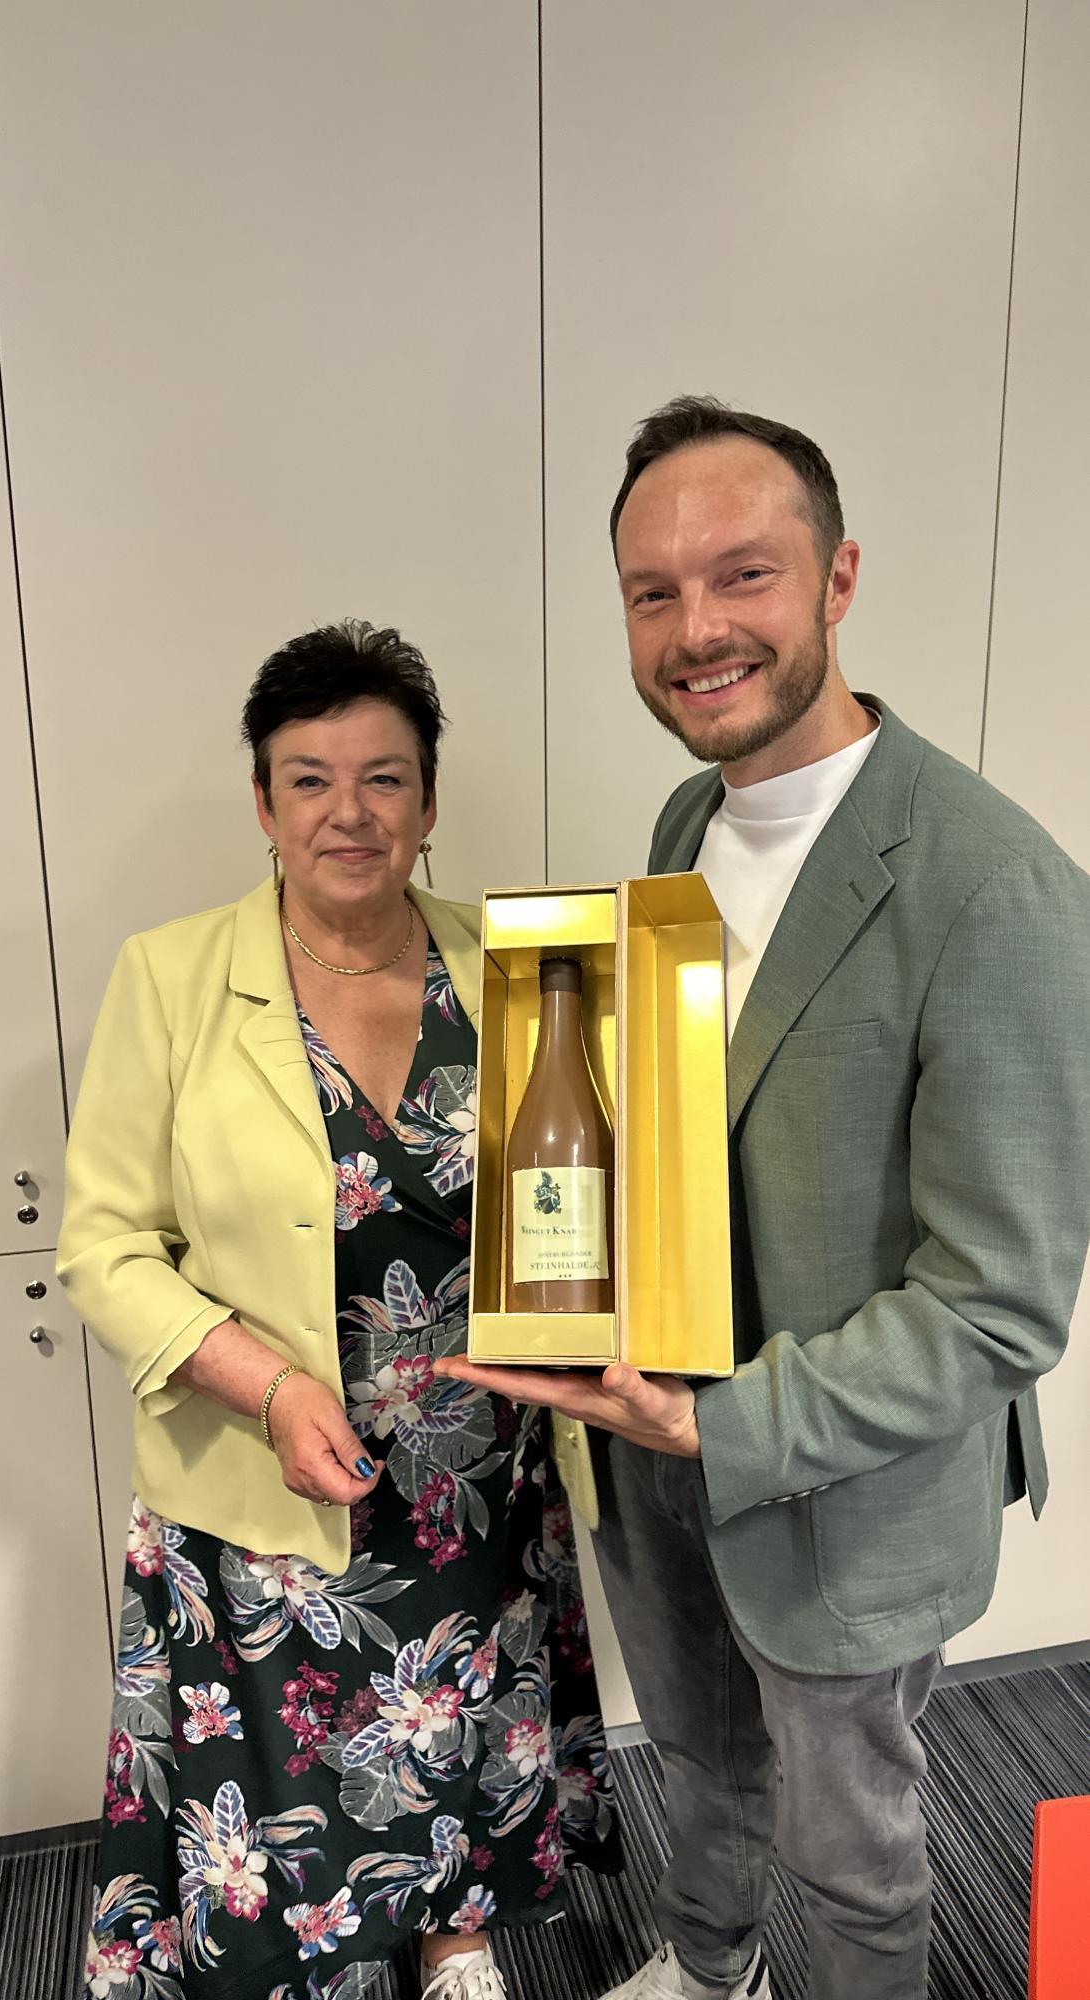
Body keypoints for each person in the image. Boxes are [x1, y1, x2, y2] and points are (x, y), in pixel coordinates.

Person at [436, 397, 1090, 2000]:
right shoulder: (690, 822)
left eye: (744, 574)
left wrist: (721, 1427)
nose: (696, 630)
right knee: (705, 1763)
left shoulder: (997, 886)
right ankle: (710, 1966)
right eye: (653, 593)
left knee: (852, 1843)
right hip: (651, 1425)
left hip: (840, 1482)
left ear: (839, 576)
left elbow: (999, 1305)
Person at [60, 620, 619, 2000]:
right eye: (309, 779)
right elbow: (107, 1245)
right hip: (267, 1464)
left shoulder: (522, 965)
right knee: (289, 1787)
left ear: (429, 803)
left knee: (461, 1718)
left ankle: (453, 1932)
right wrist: (265, 1384)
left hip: (483, 1468)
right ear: (263, 804)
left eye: (384, 778)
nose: (348, 812)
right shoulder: (172, 977)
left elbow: (598, 1185)